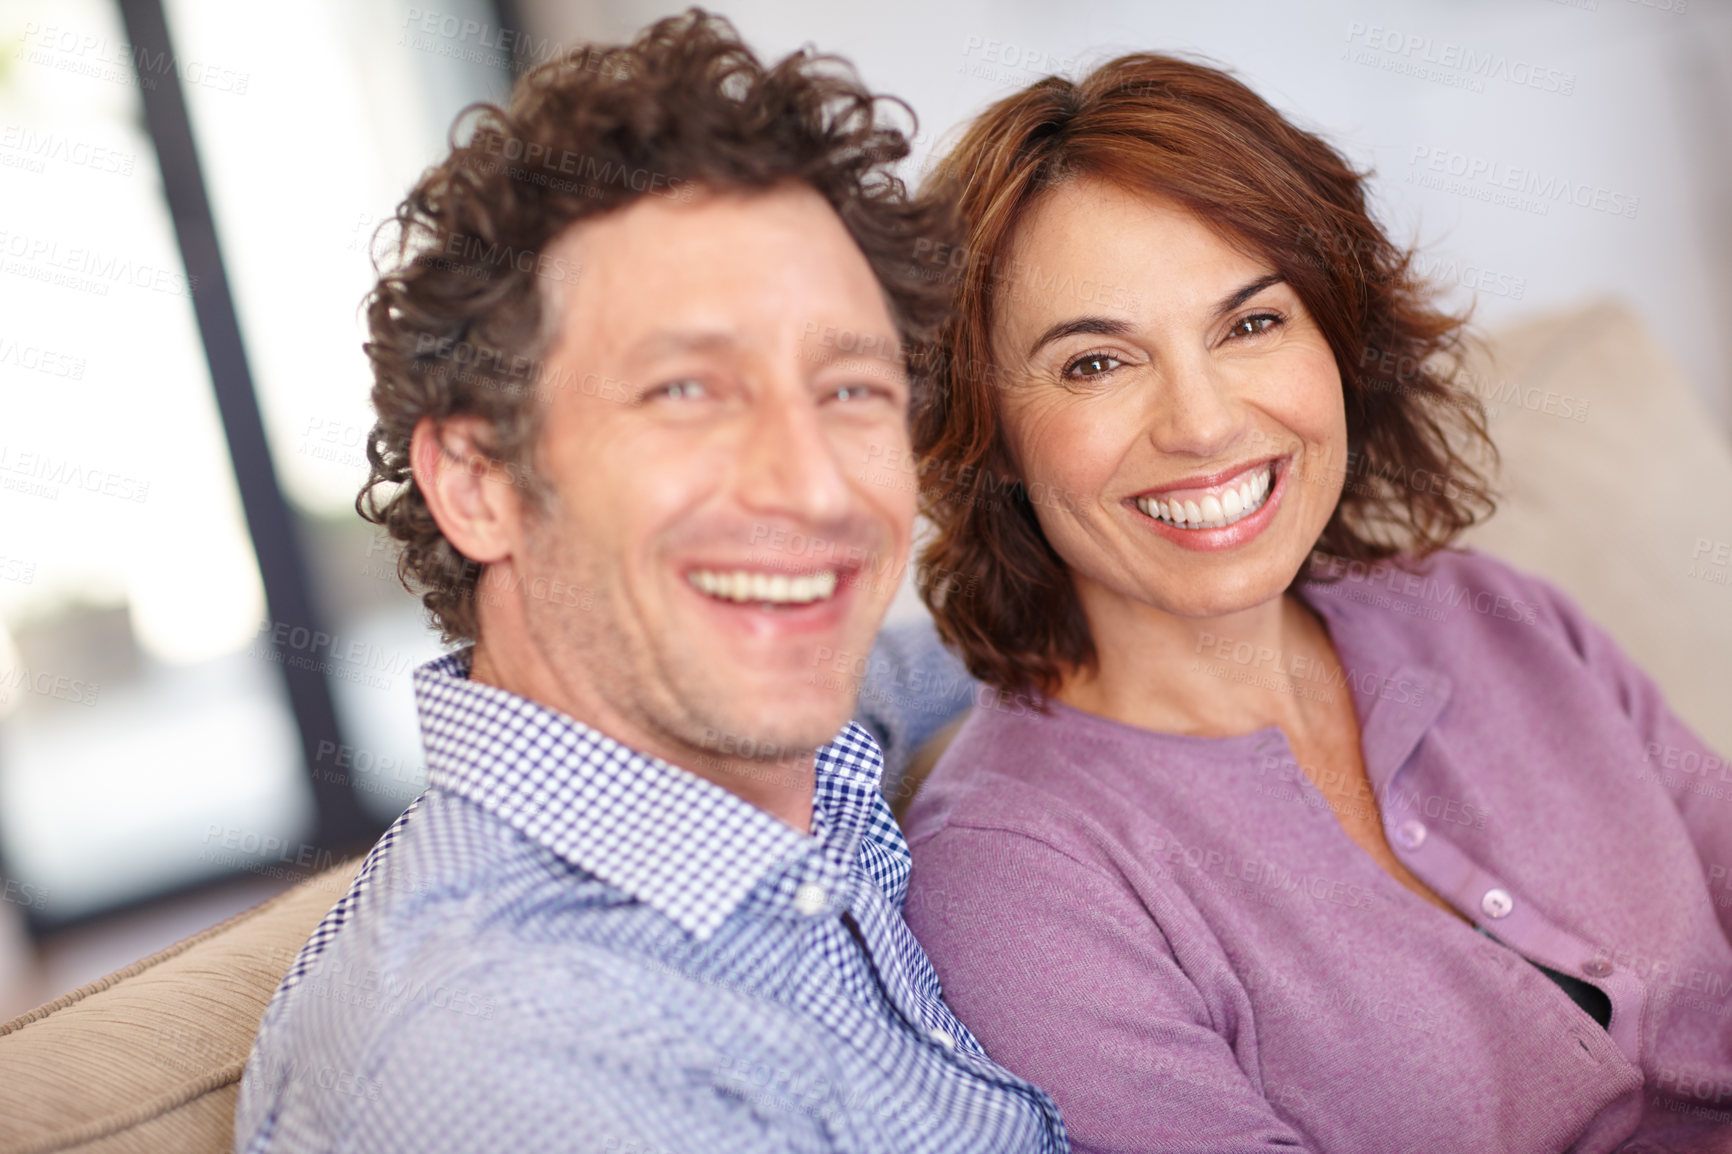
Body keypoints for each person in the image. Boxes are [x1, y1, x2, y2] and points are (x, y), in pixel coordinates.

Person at [233, 13, 1067, 1153]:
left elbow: (943, 655)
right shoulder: (517, 1058)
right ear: (478, 482)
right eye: (686, 389)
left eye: (850, 389)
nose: (813, 484)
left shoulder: (772, 741)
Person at [894, 52, 1732, 1153]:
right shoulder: (1016, 878)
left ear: (1336, 337)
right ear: (988, 431)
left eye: (1250, 324)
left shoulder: (1493, 612)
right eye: (1097, 362)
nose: (1200, 422)